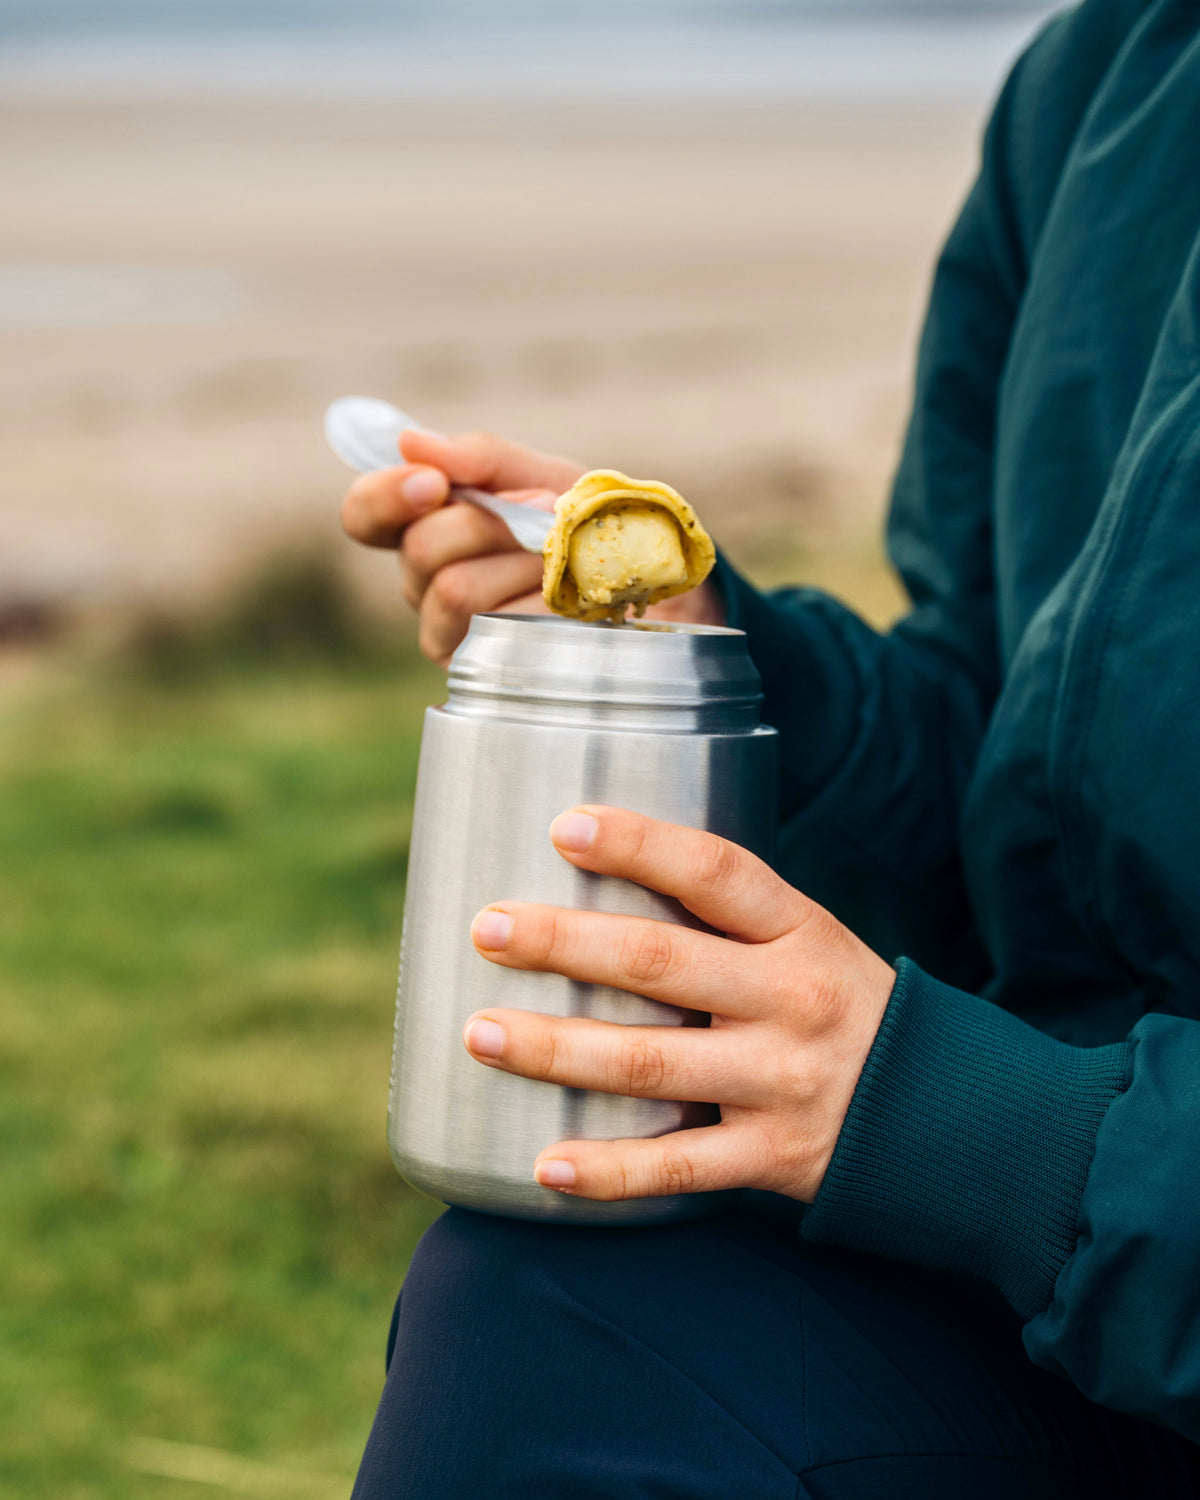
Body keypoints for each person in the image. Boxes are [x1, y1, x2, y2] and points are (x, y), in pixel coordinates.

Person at [339, 2, 1200, 1493]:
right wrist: (724, 664)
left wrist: (990, 1138)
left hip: (1120, 1226)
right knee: (549, 1298)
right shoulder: (1099, 77)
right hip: (1079, 1296)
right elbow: (1015, 766)